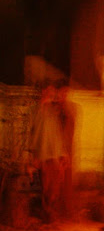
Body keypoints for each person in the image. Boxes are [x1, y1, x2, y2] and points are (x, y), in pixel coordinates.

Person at [29, 79, 75, 223]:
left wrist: (63, 153)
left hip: (54, 153)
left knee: (55, 185)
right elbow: (34, 133)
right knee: (46, 185)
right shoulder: (36, 110)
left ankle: (49, 213)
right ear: (43, 93)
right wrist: (33, 154)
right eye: (49, 92)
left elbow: (56, 134)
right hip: (43, 153)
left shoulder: (51, 111)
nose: (52, 95)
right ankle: (46, 214)